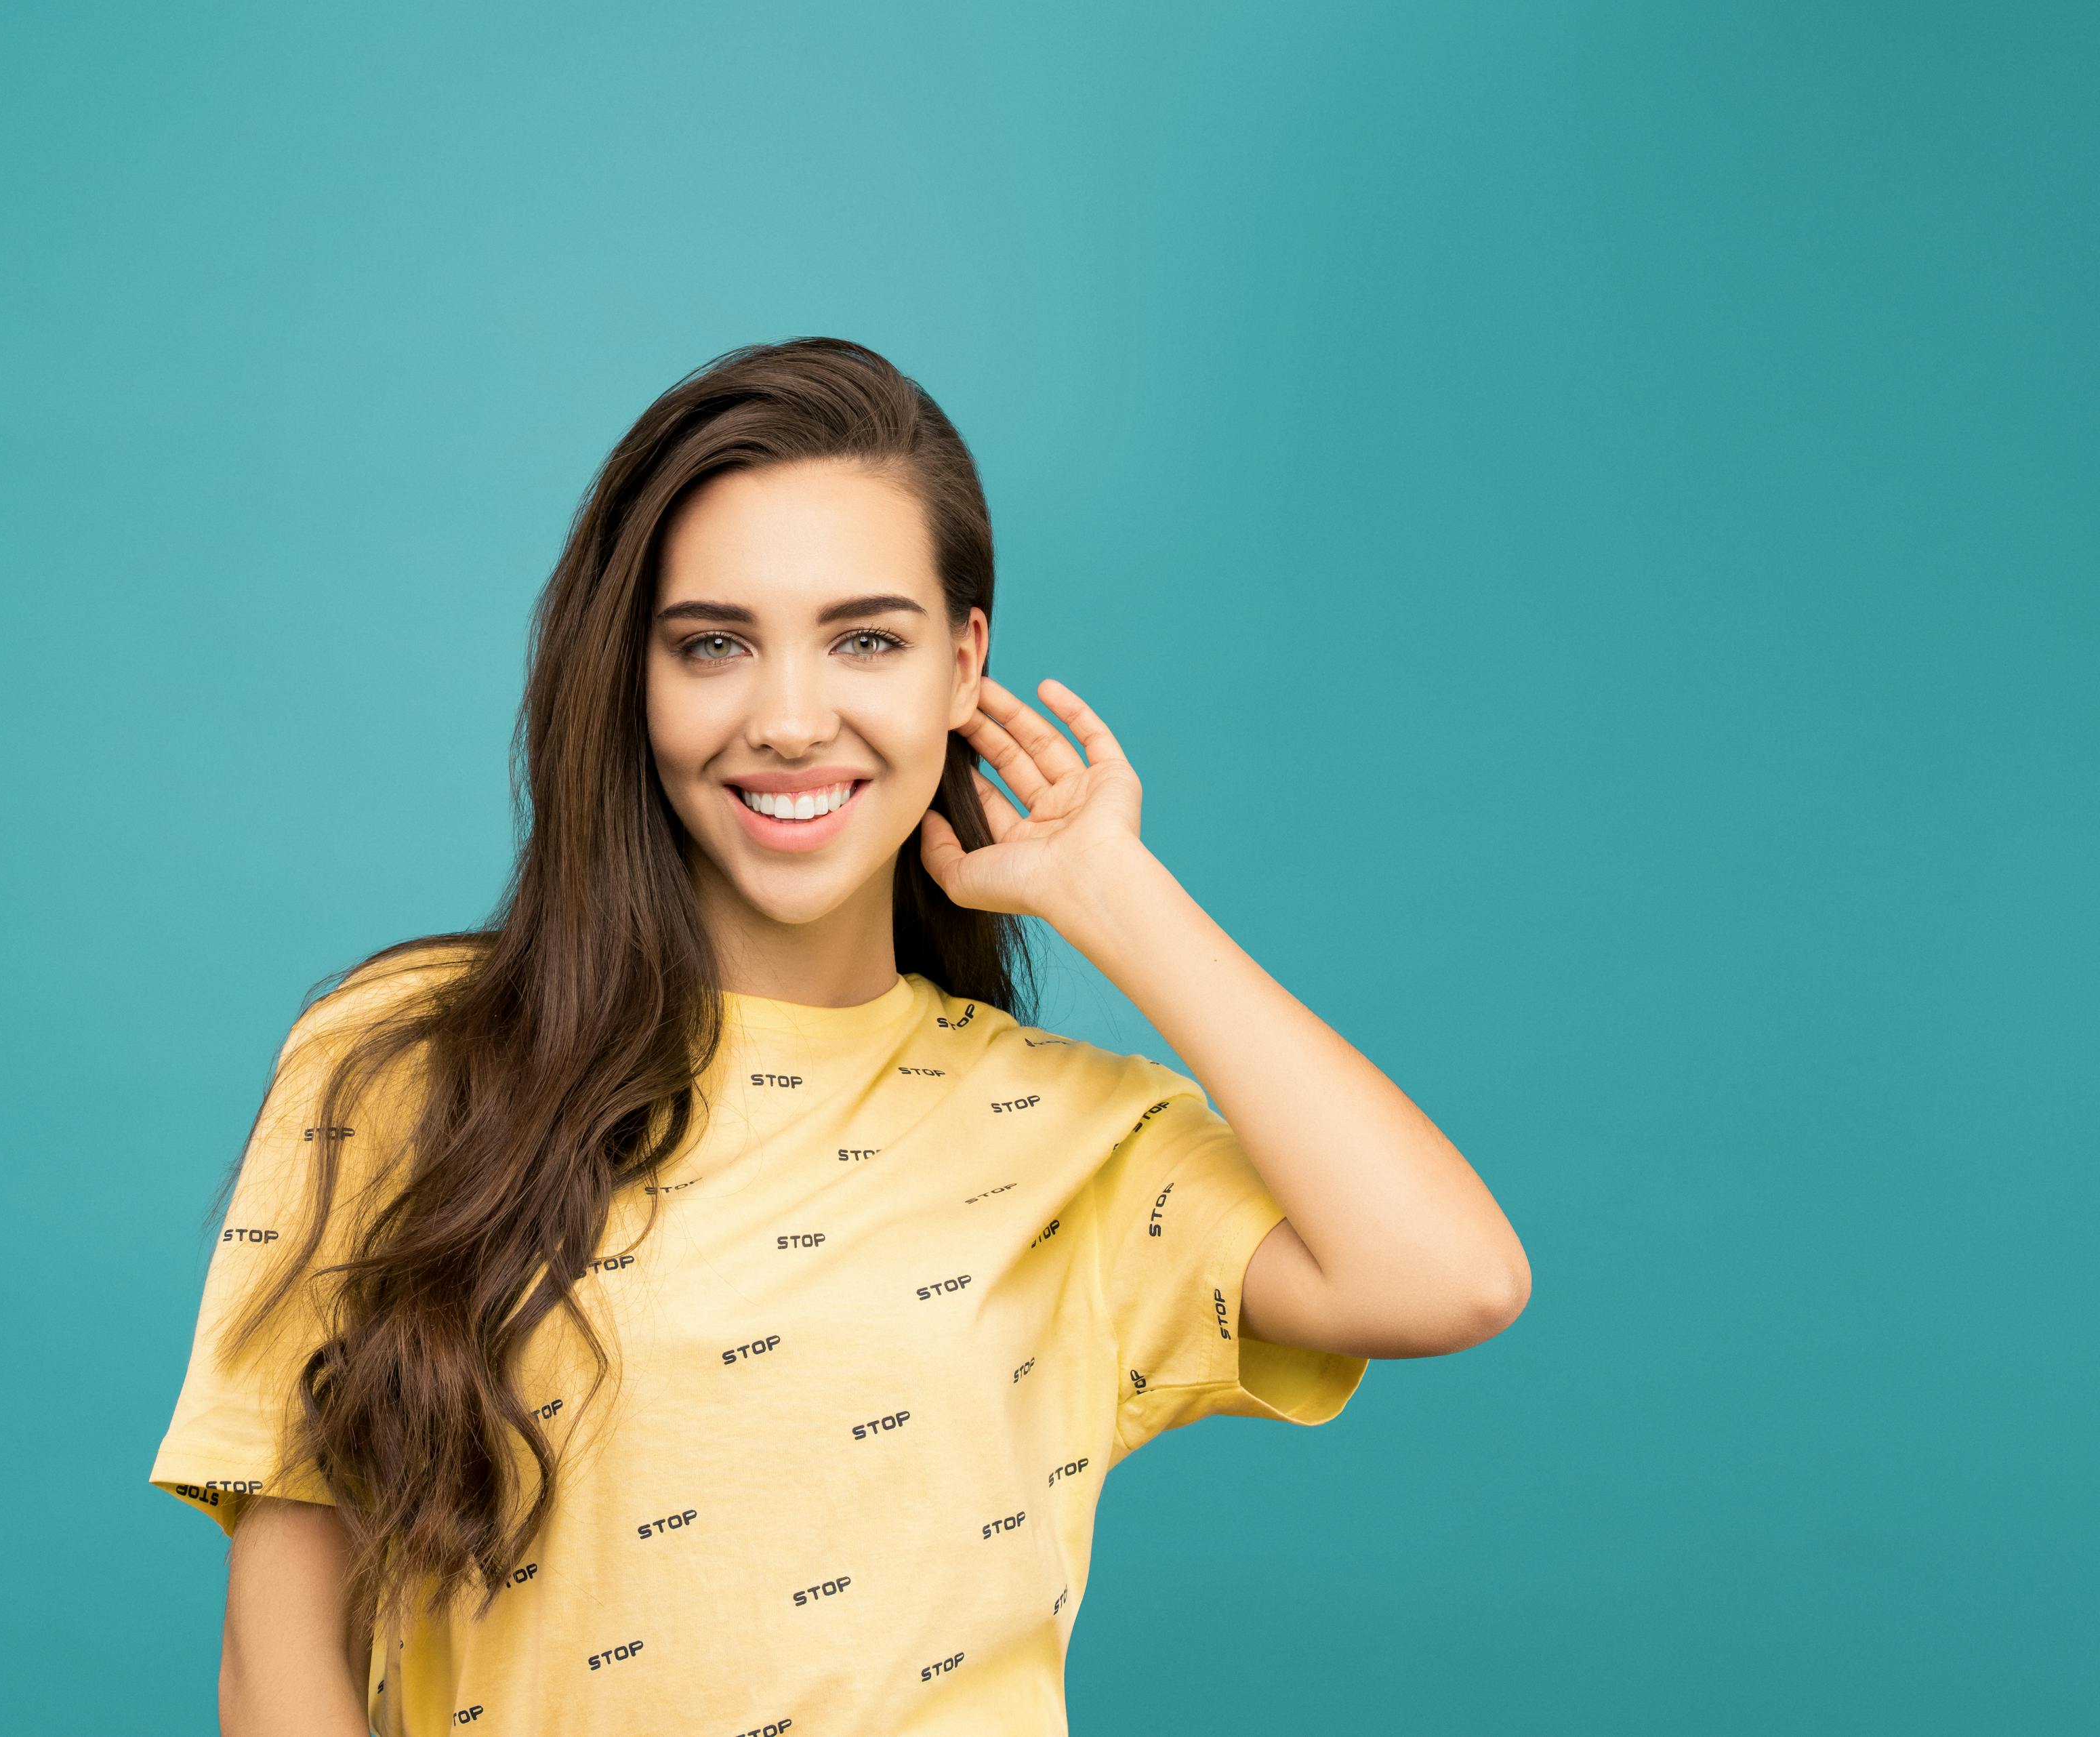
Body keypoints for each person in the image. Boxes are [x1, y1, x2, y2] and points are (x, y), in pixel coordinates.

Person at [148, 336, 1530, 1735]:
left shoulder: (1075, 1139)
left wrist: (1115, 894)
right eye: (714, 645)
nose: (792, 720)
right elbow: (277, 1658)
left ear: (964, 663)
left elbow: (1450, 1277)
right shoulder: (403, 1058)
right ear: (634, 677)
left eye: (866, 638)